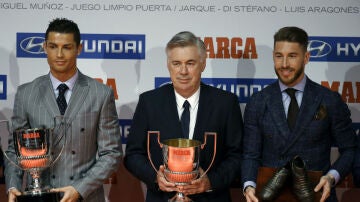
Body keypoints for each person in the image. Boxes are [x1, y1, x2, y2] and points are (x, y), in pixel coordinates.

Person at [4, 18, 122, 202]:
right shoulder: (26, 93)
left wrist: (80, 188)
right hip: (39, 197)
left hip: (86, 197)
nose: (59, 54)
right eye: (53, 46)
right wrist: (13, 186)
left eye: (66, 47)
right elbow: (15, 151)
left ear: (79, 49)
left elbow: (112, 153)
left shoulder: (101, 93)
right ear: (44, 47)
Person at [124, 31, 243, 201]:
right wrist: (155, 178)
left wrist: (210, 182)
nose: (183, 71)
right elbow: (133, 155)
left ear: (202, 64)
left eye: (190, 63)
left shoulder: (225, 103)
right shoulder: (149, 102)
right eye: (176, 63)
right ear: (168, 65)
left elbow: (238, 156)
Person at [241, 26, 356, 202]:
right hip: (269, 195)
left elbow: (350, 149)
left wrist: (331, 177)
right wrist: (248, 185)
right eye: (279, 56)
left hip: (317, 194)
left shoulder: (329, 100)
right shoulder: (258, 101)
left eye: (292, 56)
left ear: (306, 58)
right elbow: (250, 154)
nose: (284, 64)